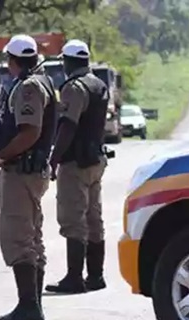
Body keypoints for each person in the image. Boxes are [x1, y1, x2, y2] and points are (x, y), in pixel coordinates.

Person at [0, 34, 57, 320]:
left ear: (13, 60)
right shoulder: (41, 80)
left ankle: (29, 306)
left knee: (18, 237)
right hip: (31, 171)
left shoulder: (28, 88)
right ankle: (32, 303)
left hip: (22, 172)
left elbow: (29, 132)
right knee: (32, 236)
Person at [45, 39, 109, 294]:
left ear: (68, 62)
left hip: (76, 161)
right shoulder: (99, 85)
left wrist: (54, 157)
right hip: (96, 158)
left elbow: (68, 125)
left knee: (73, 218)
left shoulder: (75, 87)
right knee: (94, 217)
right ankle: (96, 275)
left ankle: (74, 277)